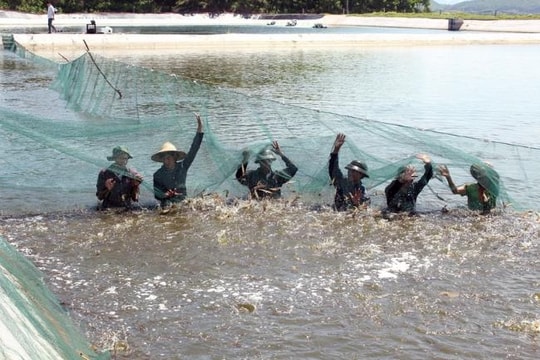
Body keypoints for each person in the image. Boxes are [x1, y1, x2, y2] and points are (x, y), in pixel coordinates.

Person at [152, 113, 204, 208]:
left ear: (175, 158)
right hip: (167, 204)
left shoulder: (183, 167)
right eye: (164, 158)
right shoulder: (158, 175)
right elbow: (157, 194)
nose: (166, 161)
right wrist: (165, 195)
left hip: (183, 202)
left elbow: (194, 149)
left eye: (168, 158)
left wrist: (199, 127)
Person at [328, 133, 370, 211]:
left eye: (354, 171)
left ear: (361, 175)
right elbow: (333, 169)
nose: (350, 173)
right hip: (337, 212)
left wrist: (357, 204)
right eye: (350, 170)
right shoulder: (342, 181)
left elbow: (365, 211)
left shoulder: (362, 190)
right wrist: (336, 150)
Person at [96, 146, 143, 210]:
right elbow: (99, 197)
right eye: (120, 158)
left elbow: (135, 199)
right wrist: (108, 189)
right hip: (108, 208)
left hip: (127, 207)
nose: (123, 161)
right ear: (114, 158)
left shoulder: (132, 173)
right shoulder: (104, 173)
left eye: (125, 158)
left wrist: (135, 186)